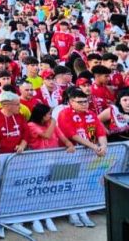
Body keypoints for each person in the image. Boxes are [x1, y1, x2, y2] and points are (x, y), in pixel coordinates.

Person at [56, 88, 107, 228]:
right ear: (71, 102)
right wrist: (94, 147)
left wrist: (103, 146)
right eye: (80, 102)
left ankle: (82, 210)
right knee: (69, 183)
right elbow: (72, 134)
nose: (85, 104)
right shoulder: (64, 113)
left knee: (83, 182)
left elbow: (100, 131)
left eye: (86, 101)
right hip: (68, 154)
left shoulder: (91, 114)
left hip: (86, 154)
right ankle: (72, 212)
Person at [23, 103, 75, 234]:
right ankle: (35, 218)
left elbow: (62, 137)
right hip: (37, 163)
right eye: (48, 114)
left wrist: (69, 145)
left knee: (50, 189)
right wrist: (53, 122)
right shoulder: (31, 125)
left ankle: (47, 215)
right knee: (37, 190)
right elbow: (46, 135)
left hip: (53, 160)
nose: (50, 116)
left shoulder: (51, 124)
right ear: (41, 115)